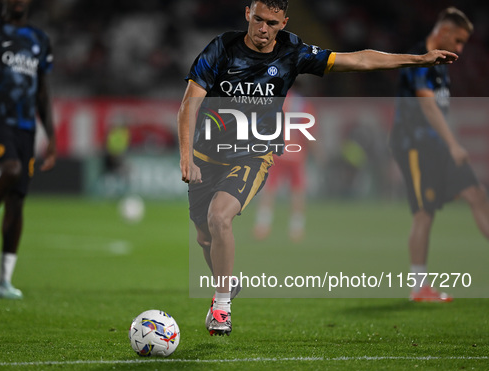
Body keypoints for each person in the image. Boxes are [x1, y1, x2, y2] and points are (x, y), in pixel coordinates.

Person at [178, 0, 458, 336]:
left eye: (271, 22)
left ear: (283, 22)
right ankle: (227, 281)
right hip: (206, 156)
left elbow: (359, 59)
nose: (263, 29)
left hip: (253, 154)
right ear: (247, 15)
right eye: (257, 20)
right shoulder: (222, 48)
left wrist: (417, 60)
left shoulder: (292, 52)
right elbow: (189, 101)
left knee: (219, 217)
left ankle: (221, 307)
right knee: (206, 240)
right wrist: (186, 156)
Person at [390, 7, 489, 302]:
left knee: (477, 194)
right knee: (424, 213)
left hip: (440, 146)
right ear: (444, 32)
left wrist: (450, 142)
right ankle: (418, 287)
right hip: (415, 146)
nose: (459, 49)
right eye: (457, 41)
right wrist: (455, 143)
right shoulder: (419, 58)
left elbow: (442, 107)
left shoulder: (443, 62)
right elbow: (428, 105)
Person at [0, 0, 56, 299]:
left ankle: (4, 281)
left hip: (26, 128)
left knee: (17, 201)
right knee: (11, 170)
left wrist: (51, 134)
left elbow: (42, 90)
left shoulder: (39, 39)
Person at [253, 90, 321, 242]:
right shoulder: (302, 103)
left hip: (276, 151)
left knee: (269, 188)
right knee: (297, 190)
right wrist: (317, 151)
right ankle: (296, 228)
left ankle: (262, 226)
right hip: (296, 153)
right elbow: (307, 131)